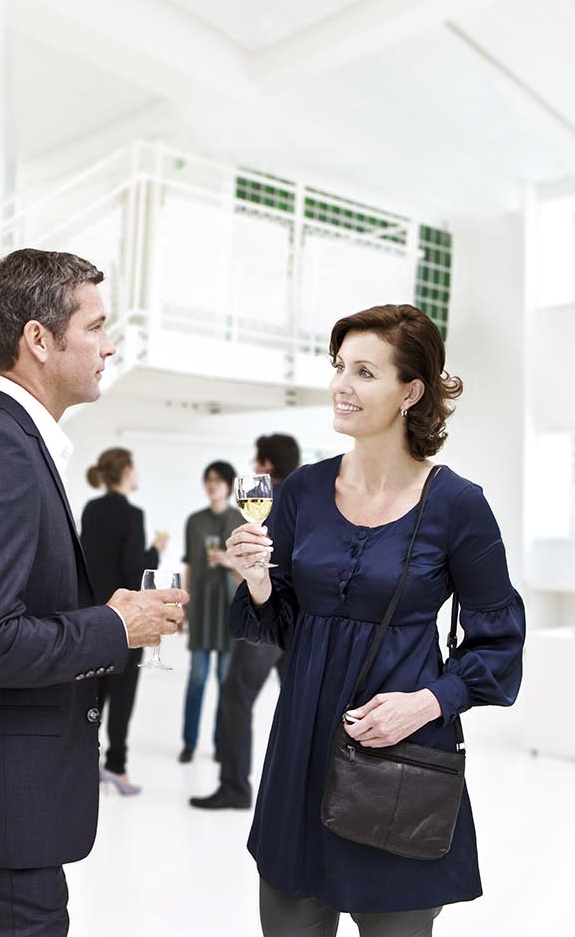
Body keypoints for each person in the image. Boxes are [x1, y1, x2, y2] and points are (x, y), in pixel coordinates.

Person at [0, 248, 187, 936]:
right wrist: (113, 626)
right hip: (0, 811)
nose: (109, 346)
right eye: (95, 327)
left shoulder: (8, 442)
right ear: (38, 339)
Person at [225, 304, 525, 936]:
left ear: (410, 392)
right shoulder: (302, 492)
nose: (342, 385)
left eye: (365, 372)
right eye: (339, 367)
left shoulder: (458, 505)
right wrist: (257, 582)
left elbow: (498, 644)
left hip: (400, 762)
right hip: (301, 751)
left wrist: (426, 704)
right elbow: (281, 623)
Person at [191, 433, 299, 810]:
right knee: (296, 707)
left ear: (267, 465)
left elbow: (255, 566)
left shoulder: (263, 500)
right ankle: (297, 794)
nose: (254, 466)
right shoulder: (309, 498)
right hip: (302, 621)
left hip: (268, 615)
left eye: (257, 460)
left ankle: (235, 788)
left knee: (236, 697)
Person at [80, 447, 169, 796]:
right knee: (122, 695)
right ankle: (117, 767)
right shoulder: (132, 515)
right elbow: (135, 572)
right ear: (127, 471)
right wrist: (156, 550)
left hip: (91, 615)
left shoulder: (91, 509)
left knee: (93, 694)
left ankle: (85, 764)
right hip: (124, 619)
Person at [178, 460, 241, 763]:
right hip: (201, 607)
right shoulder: (194, 521)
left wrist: (230, 562)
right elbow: (190, 565)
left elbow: (251, 571)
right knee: (197, 680)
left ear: (228, 485)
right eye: (209, 479)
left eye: (218, 480)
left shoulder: (241, 520)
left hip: (230, 609)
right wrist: (183, 605)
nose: (213, 485)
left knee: (226, 683)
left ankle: (220, 744)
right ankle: (189, 743)